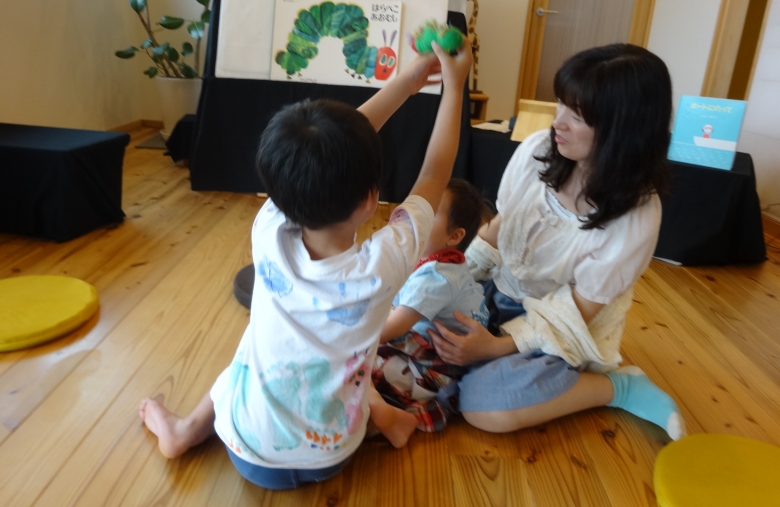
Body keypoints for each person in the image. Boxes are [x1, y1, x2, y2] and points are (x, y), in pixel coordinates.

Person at [138, 39, 473, 490]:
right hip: (331, 457)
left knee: (249, 352)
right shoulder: (384, 265)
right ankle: (385, 420)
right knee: (343, 367)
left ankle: (184, 431)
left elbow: (338, 146)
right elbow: (434, 174)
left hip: (248, 453)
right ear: (370, 199)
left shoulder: (268, 228)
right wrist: (453, 86)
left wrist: (408, 81)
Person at [427, 44, 686, 441]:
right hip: (498, 292)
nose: (557, 123)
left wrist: (493, 348)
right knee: (418, 324)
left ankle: (619, 387)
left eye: (577, 116)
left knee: (485, 407)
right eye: (561, 104)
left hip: (558, 322)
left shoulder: (636, 217)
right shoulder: (538, 150)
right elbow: (499, 228)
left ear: (624, 130)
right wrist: (447, 274)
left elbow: (574, 312)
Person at [368, 179, 492, 440]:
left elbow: (393, 328)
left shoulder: (437, 277)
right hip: (425, 346)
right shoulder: (441, 262)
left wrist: (346, 339)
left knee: (357, 363)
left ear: (454, 237)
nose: (416, 219)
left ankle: (390, 417)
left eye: (430, 214)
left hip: (439, 368)